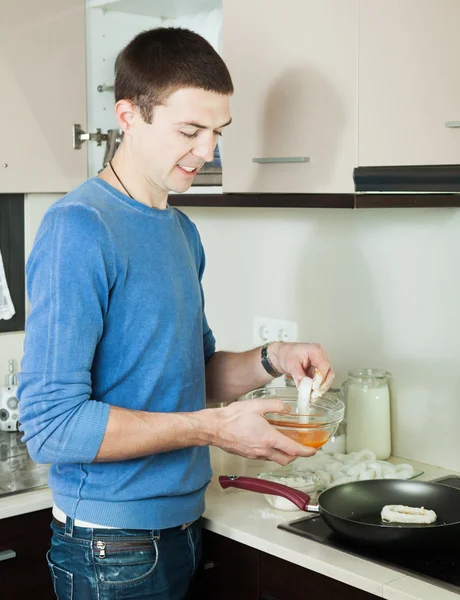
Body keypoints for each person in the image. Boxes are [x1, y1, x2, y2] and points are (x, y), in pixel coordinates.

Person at [18, 27, 335, 600]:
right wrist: (212, 428)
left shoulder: (180, 232)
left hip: (182, 529)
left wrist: (273, 359)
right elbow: (50, 426)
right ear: (128, 116)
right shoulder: (80, 229)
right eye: (190, 130)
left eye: (217, 132)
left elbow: (194, 374)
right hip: (110, 549)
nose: (208, 151)